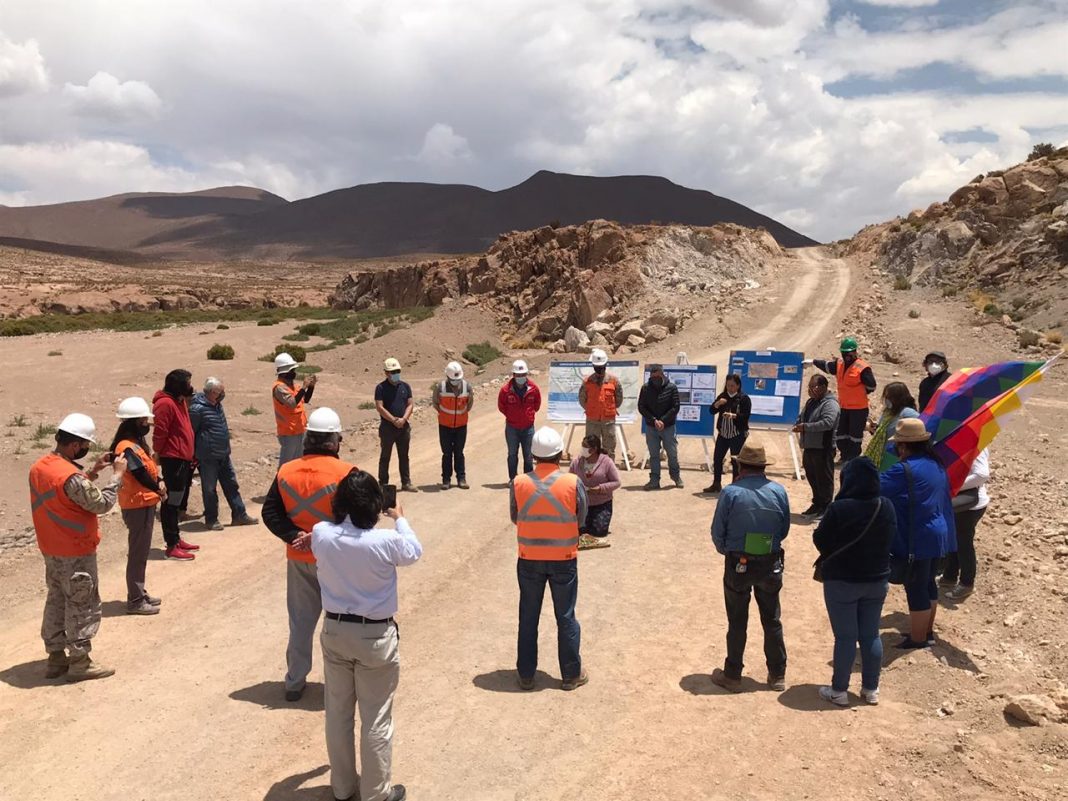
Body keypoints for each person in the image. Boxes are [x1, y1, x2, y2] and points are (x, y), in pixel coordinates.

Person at [311, 469, 420, 801]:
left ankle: (342, 788)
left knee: (338, 714)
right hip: (375, 637)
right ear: (375, 504)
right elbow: (414, 550)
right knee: (376, 719)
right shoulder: (385, 541)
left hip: (335, 630)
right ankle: (376, 794)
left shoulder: (321, 533)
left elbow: (321, 538)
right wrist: (399, 518)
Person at [262, 407, 357, 702]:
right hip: (336, 561)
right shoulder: (346, 473)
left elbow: (270, 513)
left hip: (299, 558)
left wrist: (295, 536)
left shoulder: (286, 471)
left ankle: (294, 681)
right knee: (341, 623)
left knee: (301, 623)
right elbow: (356, 518)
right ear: (334, 441)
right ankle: (341, 683)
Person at [30, 413, 125, 681]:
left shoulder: (40, 467)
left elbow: (67, 495)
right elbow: (100, 504)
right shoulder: (71, 477)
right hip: (75, 550)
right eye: (84, 445)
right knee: (82, 603)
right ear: (74, 445)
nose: (85, 449)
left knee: (57, 599)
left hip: (51, 547)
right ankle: (80, 662)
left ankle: (56, 658)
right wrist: (117, 476)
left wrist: (92, 472)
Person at [812, 457, 897, 707]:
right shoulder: (885, 506)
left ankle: (839, 690)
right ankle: (871, 689)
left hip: (842, 581)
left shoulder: (839, 509)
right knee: (871, 635)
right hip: (877, 579)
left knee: (846, 637)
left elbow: (821, 541)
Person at [510, 426, 589, 691]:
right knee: (565, 616)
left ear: (533, 455)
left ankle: (526, 675)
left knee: (528, 616)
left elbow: (515, 516)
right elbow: (581, 517)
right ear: (559, 454)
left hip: (529, 559)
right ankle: (570, 675)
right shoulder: (572, 482)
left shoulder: (519, 483)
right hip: (563, 558)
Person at [709, 440, 790, 693]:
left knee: (737, 620)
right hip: (770, 562)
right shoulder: (779, 491)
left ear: (741, 466)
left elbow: (717, 532)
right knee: (772, 619)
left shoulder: (731, 493)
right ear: (763, 467)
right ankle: (777, 674)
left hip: (738, 563)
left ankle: (733, 675)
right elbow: (784, 529)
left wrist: (729, 551)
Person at [879, 418, 956, 649]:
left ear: (903, 446)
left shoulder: (903, 470)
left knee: (915, 586)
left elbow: (874, 487)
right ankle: (926, 632)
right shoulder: (935, 464)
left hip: (918, 536)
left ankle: (919, 639)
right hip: (938, 534)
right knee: (928, 582)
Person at [110, 397, 165, 616]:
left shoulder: (136, 443)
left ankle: (139, 592)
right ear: (134, 422)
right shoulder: (126, 447)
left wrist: (159, 480)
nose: (146, 424)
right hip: (136, 504)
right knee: (137, 553)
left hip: (144, 501)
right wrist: (159, 487)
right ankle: (135, 600)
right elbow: (139, 473)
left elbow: (148, 468)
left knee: (141, 552)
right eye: (143, 420)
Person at [189, 377, 259, 530]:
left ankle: (239, 514)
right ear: (212, 392)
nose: (223, 394)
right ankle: (211, 519)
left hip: (224, 454)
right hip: (208, 457)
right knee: (209, 489)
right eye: (220, 392)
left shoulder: (217, 405)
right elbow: (191, 432)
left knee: (232, 485)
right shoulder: (197, 409)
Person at [152, 368, 200, 561]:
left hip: (183, 458)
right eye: (187, 383)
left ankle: (176, 538)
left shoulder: (179, 401)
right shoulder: (165, 404)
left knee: (177, 501)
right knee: (171, 503)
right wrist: (157, 453)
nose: (190, 386)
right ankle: (171, 544)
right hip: (173, 459)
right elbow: (160, 432)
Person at [808, 337, 876, 463]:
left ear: (855, 352)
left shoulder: (863, 367)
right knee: (840, 434)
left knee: (855, 436)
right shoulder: (839, 364)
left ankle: (852, 458)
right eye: (844, 353)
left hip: (858, 409)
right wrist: (813, 362)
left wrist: (859, 392)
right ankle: (844, 456)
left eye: (849, 353)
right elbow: (827, 366)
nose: (846, 356)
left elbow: (872, 386)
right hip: (843, 407)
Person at [940, 448, 990, 600]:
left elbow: (982, 475)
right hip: (960, 502)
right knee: (954, 539)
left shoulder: (977, 446)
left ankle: (967, 583)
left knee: (964, 544)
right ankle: (950, 576)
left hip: (971, 505)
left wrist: (953, 487)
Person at [793, 375, 840, 518]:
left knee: (824, 479)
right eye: (809, 387)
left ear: (823, 387)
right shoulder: (811, 402)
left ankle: (826, 507)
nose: (810, 390)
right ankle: (817, 504)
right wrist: (798, 423)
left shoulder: (830, 404)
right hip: (809, 447)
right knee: (813, 477)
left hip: (823, 448)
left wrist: (805, 427)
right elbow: (802, 416)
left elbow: (828, 423)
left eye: (813, 387)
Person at [569, 434, 619, 549]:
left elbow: (617, 482)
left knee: (599, 531)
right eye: (582, 445)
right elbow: (569, 479)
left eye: (585, 446)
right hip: (582, 504)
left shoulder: (606, 462)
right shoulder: (576, 462)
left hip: (601, 503)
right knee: (579, 530)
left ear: (594, 449)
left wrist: (600, 488)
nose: (583, 449)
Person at [703, 374, 751, 494]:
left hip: (737, 434)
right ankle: (716, 484)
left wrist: (733, 416)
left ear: (738, 385)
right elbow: (711, 411)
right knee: (717, 459)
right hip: (723, 434)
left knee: (735, 461)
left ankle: (735, 486)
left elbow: (746, 416)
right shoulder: (722, 396)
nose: (730, 388)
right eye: (728, 385)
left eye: (732, 385)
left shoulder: (744, 398)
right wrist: (718, 404)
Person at [638, 364, 682, 490]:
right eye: (653, 377)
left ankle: (676, 476)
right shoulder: (645, 388)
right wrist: (653, 420)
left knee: (672, 453)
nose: (655, 380)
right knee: (654, 455)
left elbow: (675, 407)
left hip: (668, 427)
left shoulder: (672, 388)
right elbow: (641, 406)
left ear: (662, 375)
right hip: (651, 427)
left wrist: (663, 420)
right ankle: (654, 480)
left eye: (657, 377)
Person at [374, 357, 416, 492]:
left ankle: (406, 482)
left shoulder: (405, 386)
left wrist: (403, 419)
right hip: (387, 428)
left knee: (404, 456)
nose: (396, 374)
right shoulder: (380, 388)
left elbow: (410, 404)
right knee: (385, 456)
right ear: (386, 373)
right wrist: (393, 420)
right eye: (393, 372)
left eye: (398, 371)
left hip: (403, 427)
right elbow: (379, 407)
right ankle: (383, 484)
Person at [498, 359, 541, 481]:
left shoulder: (533, 388)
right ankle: (513, 479)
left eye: (523, 374)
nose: (521, 377)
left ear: (526, 374)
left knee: (528, 456)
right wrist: (512, 416)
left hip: (528, 428)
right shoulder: (505, 390)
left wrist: (528, 415)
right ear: (514, 375)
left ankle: (528, 481)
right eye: (518, 375)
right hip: (512, 428)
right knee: (512, 455)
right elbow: (501, 406)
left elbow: (537, 405)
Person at [432, 361, 472, 490]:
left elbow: (469, 404)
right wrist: (446, 415)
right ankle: (446, 480)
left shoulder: (467, 387)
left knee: (459, 453)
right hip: (445, 426)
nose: (456, 381)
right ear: (448, 376)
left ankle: (461, 478)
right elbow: (436, 403)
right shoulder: (440, 387)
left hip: (461, 426)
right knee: (447, 454)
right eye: (453, 379)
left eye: (458, 379)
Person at [863, 381, 920, 470]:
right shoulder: (888, 412)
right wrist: (873, 428)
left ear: (898, 398)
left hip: (897, 456)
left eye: (889, 397)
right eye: (885, 397)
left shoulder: (908, 413)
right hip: (882, 453)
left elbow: (920, 427)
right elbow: (883, 431)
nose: (886, 400)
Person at [578, 349, 623, 460]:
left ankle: (608, 469)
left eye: (602, 366)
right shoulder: (587, 382)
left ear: (606, 364)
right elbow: (582, 400)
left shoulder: (614, 381)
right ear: (593, 366)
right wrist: (593, 409)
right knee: (590, 448)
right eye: (597, 366)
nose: (600, 369)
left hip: (608, 421)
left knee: (609, 449)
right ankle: (591, 469)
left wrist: (607, 409)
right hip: (592, 421)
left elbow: (618, 400)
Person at [273, 352, 317, 467]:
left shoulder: (293, 386)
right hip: (289, 432)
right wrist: (304, 387)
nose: (294, 373)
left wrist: (311, 387)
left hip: (300, 429)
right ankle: (280, 479)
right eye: (291, 370)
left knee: (299, 462)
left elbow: (305, 399)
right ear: (284, 372)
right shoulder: (279, 388)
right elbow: (292, 403)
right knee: (286, 464)